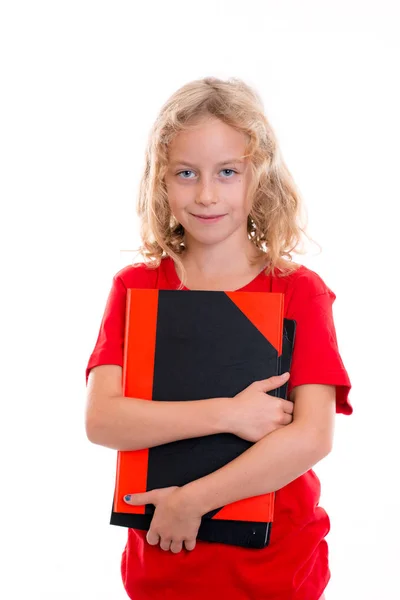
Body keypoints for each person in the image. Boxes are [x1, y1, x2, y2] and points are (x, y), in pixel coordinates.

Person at [85, 76, 352, 600]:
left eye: (227, 172)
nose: (206, 194)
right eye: (186, 173)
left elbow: (311, 436)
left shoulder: (299, 290)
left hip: (276, 569)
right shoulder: (137, 286)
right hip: (162, 565)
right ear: (161, 181)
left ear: (260, 180)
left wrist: (193, 501)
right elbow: (102, 420)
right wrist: (228, 414)